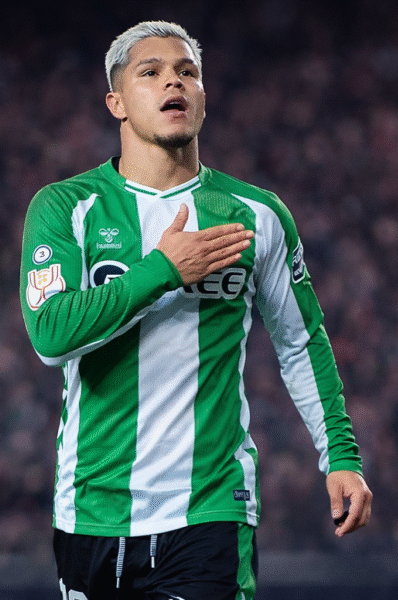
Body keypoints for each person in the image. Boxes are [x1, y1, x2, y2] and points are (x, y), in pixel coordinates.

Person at [20, 20, 372, 600]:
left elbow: (301, 341)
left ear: (204, 96)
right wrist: (163, 269)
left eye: (188, 71)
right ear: (117, 103)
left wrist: (340, 455)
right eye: (151, 72)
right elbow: (51, 335)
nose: (174, 82)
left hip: (209, 509)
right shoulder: (66, 207)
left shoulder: (255, 214)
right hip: (90, 511)